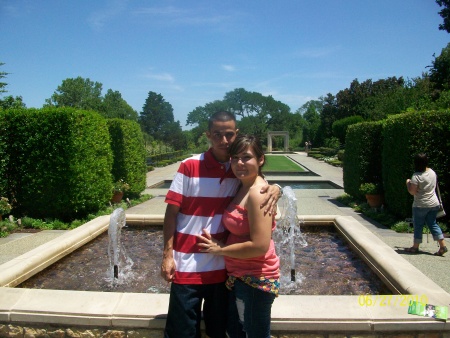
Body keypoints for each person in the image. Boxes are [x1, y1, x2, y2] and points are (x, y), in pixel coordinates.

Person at [161, 111, 281, 338]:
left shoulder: (235, 170)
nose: (224, 140)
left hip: (222, 272)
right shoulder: (189, 166)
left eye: (229, 134)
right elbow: (170, 213)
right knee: (182, 333)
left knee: (220, 332)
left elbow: (257, 182)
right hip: (187, 266)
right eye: (217, 134)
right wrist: (168, 254)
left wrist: (276, 188)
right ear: (208, 135)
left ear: (235, 134)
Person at [197, 134, 280, 338]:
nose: (239, 163)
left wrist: (220, 250)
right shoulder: (242, 185)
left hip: (255, 280)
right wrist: (278, 188)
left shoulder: (257, 193)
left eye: (246, 157)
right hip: (241, 277)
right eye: (235, 158)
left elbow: (259, 246)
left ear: (260, 160)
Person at [405, 153, 448, 256]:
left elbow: (412, 192)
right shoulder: (432, 172)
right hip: (433, 203)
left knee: (418, 225)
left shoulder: (416, 176)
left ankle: (415, 247)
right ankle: (442, 245)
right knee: (433, 224)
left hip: (420, 204)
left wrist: (408, 183)